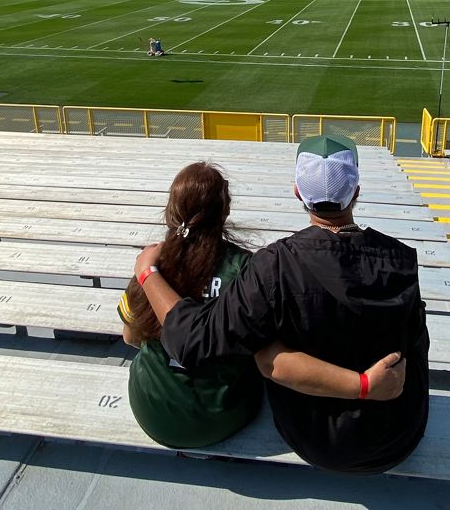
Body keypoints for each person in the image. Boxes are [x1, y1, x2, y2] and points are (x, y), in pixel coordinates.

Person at [137, 135, 429, 474]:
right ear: (357, 191)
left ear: (297, 193)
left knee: (265, 348)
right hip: (398, 435)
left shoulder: (273, 264)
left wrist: (147, 273)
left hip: (317, 440)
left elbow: (190, 342)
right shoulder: (402, 258)